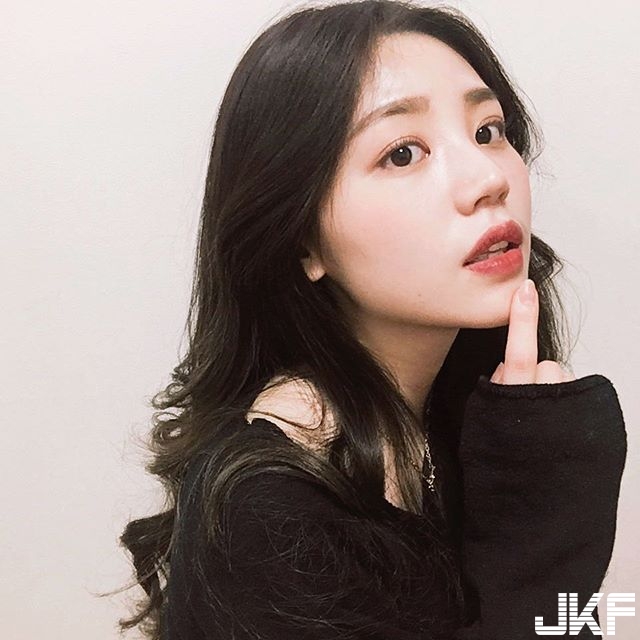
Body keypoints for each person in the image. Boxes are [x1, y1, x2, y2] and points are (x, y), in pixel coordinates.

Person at [117, 1, 627, 638]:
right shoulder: (267, 511)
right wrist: (545, 533)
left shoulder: (457, 416)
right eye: (403, 153)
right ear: (303, 240)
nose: (487, 177)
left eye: (488, 130)